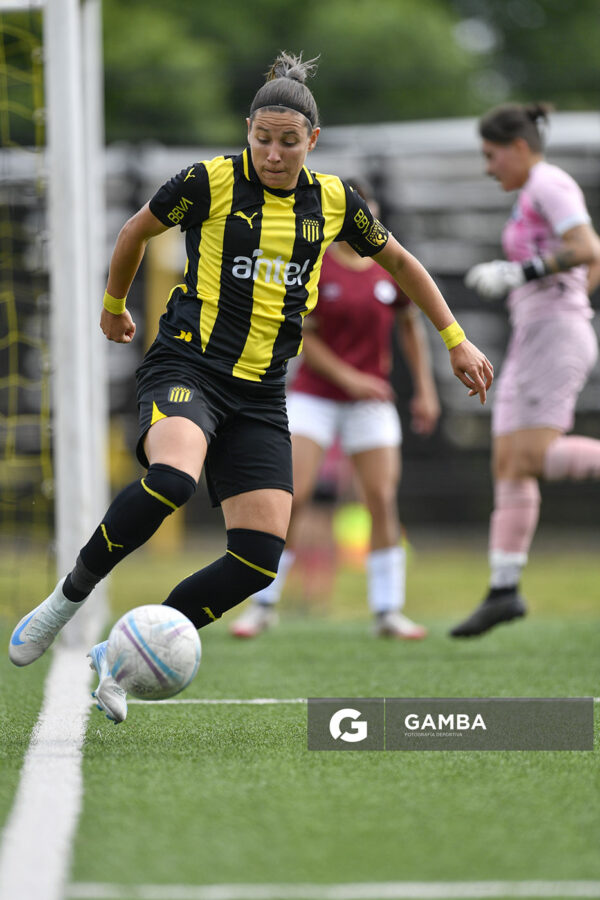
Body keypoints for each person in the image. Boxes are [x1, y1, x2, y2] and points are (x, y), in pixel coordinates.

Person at [8, 51, 493, 722]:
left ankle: (123, 655)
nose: (273, 152)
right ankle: (65, 601)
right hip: (187, 367)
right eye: (262, 138)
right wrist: (114, 303)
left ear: (312, 142)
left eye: (288, 142)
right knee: (173, 480)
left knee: (259, 558)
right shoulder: (206, 182)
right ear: (248, 132)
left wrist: (455, 338)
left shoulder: (333, 201)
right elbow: (134, 231)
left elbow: (402, 262)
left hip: (261, 394)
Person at [231, 179, 440, 639]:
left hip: (372, 403)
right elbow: (304, 335)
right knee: (294, 497)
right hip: (315, 397)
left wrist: (425, 389)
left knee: (381, 500)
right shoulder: (317, 265)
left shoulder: (390, 267)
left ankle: (388, 612)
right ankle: (262, 604)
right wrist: (349, 378)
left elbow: (410, 326)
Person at [450, 102, 600, 638]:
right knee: (509, 462)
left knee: (531, 456)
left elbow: (587, 248)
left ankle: (505, 587)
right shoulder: (533, 194)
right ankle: (504, 589)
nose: (489, 168)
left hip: (553, 335)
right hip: (537, 333)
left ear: (517, 147)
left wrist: (526, 275)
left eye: (492, 156)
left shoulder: (547, 183)